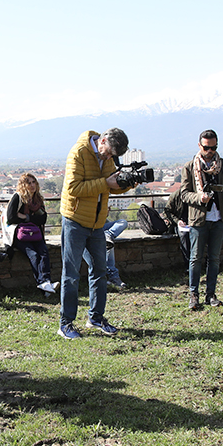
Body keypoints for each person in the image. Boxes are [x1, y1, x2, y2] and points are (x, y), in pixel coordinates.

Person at [57, 128, 136, 339]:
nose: (108, 157)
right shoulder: (78, 153)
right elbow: (73, 188)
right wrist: (105, 183)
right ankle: (66, 324)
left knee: (100, 271)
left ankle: (96, 318)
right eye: (108, 152)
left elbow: (111, 186)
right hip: (75, 221)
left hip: (97, 223)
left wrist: (128, 183)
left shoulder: (107, 157)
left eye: (112, 156)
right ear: (101, 141)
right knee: (71, 274)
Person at [180, 129, 223, 311]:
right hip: (198, 219)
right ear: (199, 146)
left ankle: (210, 293)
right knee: (195, 258)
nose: (210, 151)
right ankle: (193, 294)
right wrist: (199, 198)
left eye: (213, 147)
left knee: (214, 258)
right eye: (206, 148)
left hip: (219, 218)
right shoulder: (189, 167)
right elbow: (184, 194)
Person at [6, 173, 57, 296]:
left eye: (34, 182)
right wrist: (33, 218)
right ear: (23, 185)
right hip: (20, 235)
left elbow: (43, 219)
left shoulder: (38, 199)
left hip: (35, 233)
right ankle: (44, 283)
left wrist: (25, 217)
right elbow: (11, 218)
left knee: (44, 252)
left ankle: (46, 282)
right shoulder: (18, 198)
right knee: (33, 254)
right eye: (29, 183)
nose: (32, 185)